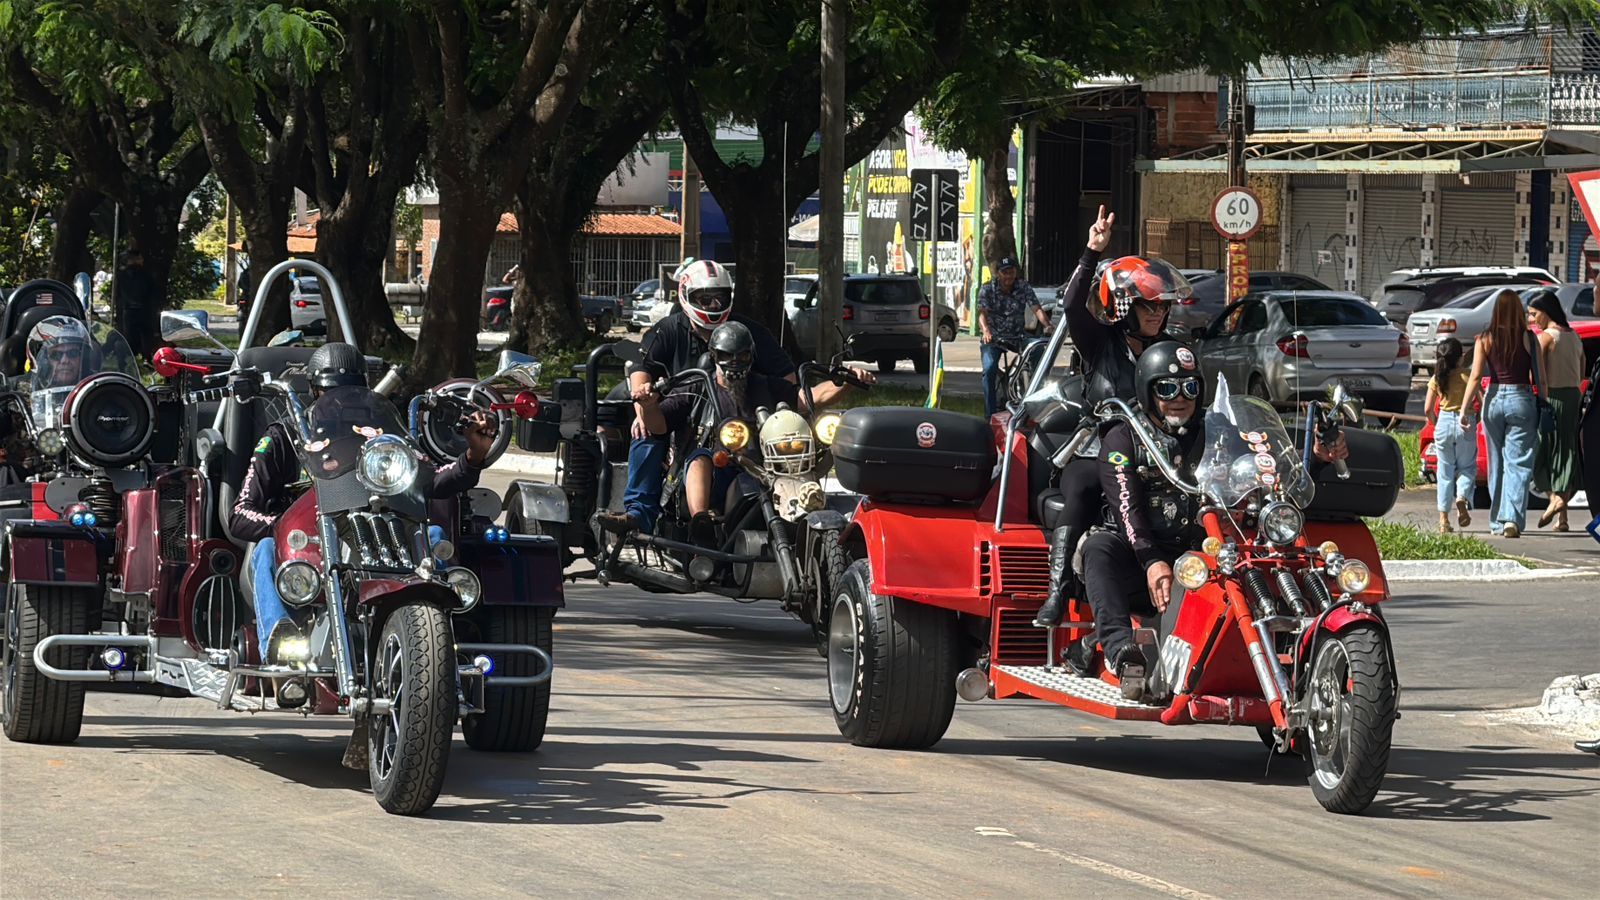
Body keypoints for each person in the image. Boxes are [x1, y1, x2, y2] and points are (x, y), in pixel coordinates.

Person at [1062, 341, 1348, 698]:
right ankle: (1123, 654)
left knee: (1267, 557)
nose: (1179, 397)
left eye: (1189, 387)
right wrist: (1151, 561)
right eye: (1166, 389)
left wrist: (1316, 460)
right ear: (1147, 392)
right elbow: (1127, 509)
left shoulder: (1217, 430)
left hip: (1203, 552)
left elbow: (1264, 471)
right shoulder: (1123, 436)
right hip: (1139, 558)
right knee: (1099, 548)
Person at [229, 343, 499, 682]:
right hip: (305, 548)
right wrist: (283, 528)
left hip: (380, 536)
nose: (340, 404)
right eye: (330, 393)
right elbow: (240, 513)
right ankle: (279, 642)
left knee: (433, 537)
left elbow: (434, 481)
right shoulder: (285, 437)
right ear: (314, 392)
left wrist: (473, 455)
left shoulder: (383, 441)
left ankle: (439, 642)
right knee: (267, 550)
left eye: (351, 393)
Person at [598, 260, 870, 534]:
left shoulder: (751, 342)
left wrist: (845, 383)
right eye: (705, 298)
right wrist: (644, 404)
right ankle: (649, 515)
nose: (714, 305)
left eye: (720, 297)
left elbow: (797, 391)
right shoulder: (675, 346)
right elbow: (642, 373)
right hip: (684, 422)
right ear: (712, 356)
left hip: (754, 436)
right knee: (652, 433)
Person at [1034, 206, 1193, 627]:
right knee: (1084, 488)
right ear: (1126, 307)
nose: (1157, 314)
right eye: (1148, 307)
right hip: (1098, 446)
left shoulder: (1172, 351)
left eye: (1162, 307)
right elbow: (1070, 304)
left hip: (1160, 451)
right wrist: (1092, 252)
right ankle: (1058, 590)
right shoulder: (1101, 343)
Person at [1459, 290, 1539, 538]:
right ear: (1518, 310)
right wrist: (1543, 401)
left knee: (1497, 463)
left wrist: (1463, 409)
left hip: (1493, 400)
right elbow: (1540, 377)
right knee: (1519, 463)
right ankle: (1511, 520)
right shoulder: (1529, 338)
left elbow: (1474, 376)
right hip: (1522, 397)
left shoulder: (1484, 338)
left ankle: (1496, 521)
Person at [1528, 292, 1584, 532]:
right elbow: (1581, 372)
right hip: (1573, 397)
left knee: (1545, 454)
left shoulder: (1547, 338)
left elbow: (1535, 373)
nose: (1532, 319)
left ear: (1546, 311)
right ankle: (1563, 519)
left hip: (1551, 399)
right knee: (1566, 452)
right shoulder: (1575, 337)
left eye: (1534, 314)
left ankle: (1555, 499)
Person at [977, 256, 1047, 418]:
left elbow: (1036, 308)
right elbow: (982, 314)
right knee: (989, 369)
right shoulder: (987, 289)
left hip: (1017, 336)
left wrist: (1047, 325)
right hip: (994, 339)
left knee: (1038, 350)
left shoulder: (1023, 287)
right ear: (998, 274)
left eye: (1012, 272)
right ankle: (990, 413)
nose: (1009, 276)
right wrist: (986, 330)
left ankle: (1036, 405)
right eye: (1005, 273)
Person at [1423, 337, 1476, 533]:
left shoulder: (1436, 378)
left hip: (1444, 422)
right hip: (1466, 422)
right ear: (1461, 358)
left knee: (1444, 472)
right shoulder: (1468, 376)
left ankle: (1444, 520)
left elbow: (1428, 408)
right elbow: (1480, 398)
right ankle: (1462, 497)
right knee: (1467, 467)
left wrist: (1436, 424)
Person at [115, 248, 156, 359]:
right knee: (146, 335)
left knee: (129, 336)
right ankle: (146, 357)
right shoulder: (146, 275)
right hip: (144, 310)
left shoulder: (121, 275)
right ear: (137, 259)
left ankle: (128, 358)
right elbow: (151, 292)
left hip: (128, 309)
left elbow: (118, 294)